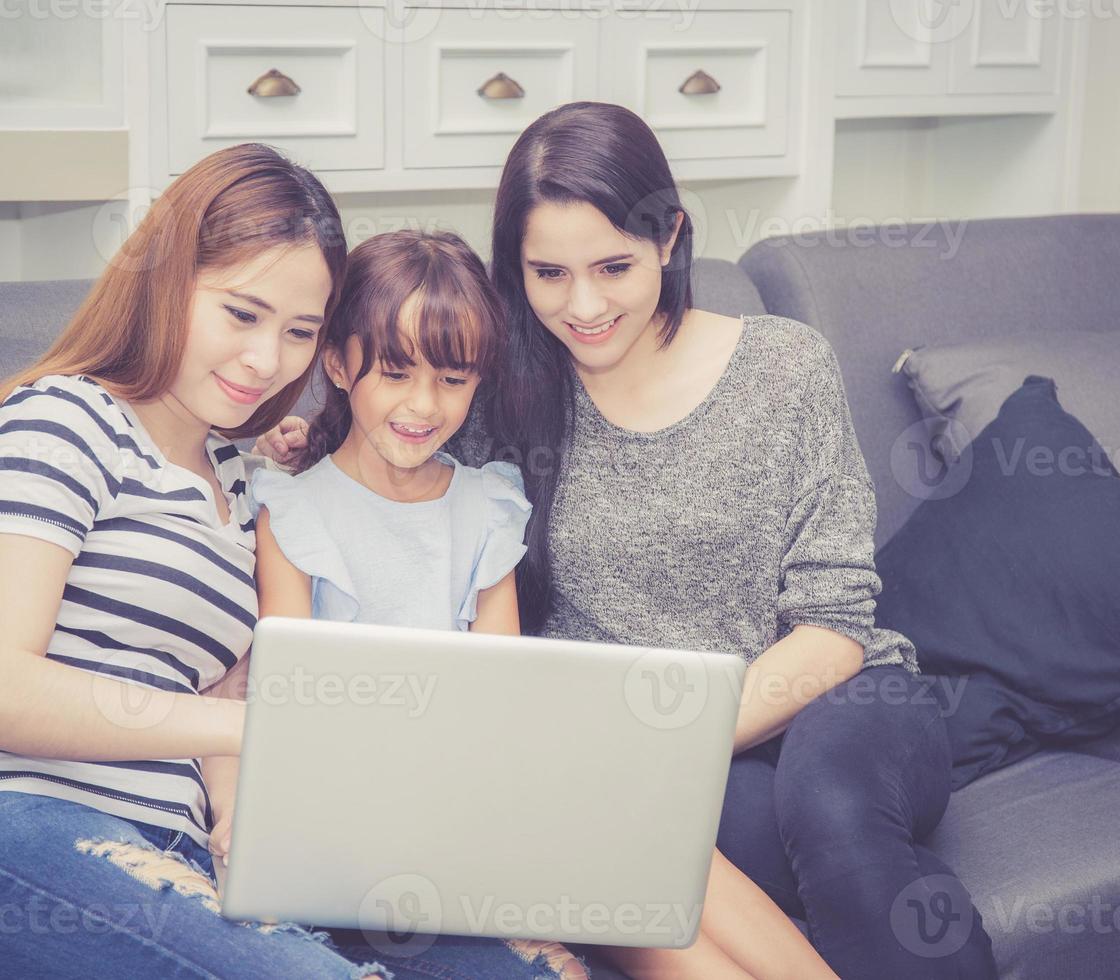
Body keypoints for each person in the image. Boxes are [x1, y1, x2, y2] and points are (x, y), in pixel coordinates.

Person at [257, 102, 999, 979]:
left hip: (835, 702)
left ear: (669, 238)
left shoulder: (785, 369)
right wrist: (297, 431)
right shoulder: (502, 398)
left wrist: (667, 742)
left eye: (614, 266)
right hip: (649, 760)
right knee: (676, 849)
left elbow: (834, 625)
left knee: (831, 805)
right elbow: (395, 428)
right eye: (548, 273)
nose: (584, 305)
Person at [0, 143, 577, 980]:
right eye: (242, 313)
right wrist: (260, 725)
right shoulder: (65, 420)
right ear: (166, 278)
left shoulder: (246, 478)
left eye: (299, 331)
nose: (267, 360)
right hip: (40, 825)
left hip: (199, 853)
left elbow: (241, 663)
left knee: (536, 971)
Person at [243, 228, 831, 980]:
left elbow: (502, 698)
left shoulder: (486, 504)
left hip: (481, 804)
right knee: (611, 839)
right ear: (337, 361)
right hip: (362, 823)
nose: (424, 406)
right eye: (394, 374)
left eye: (454, 381)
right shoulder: (292, 510)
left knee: (642, 838)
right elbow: (300, 717)